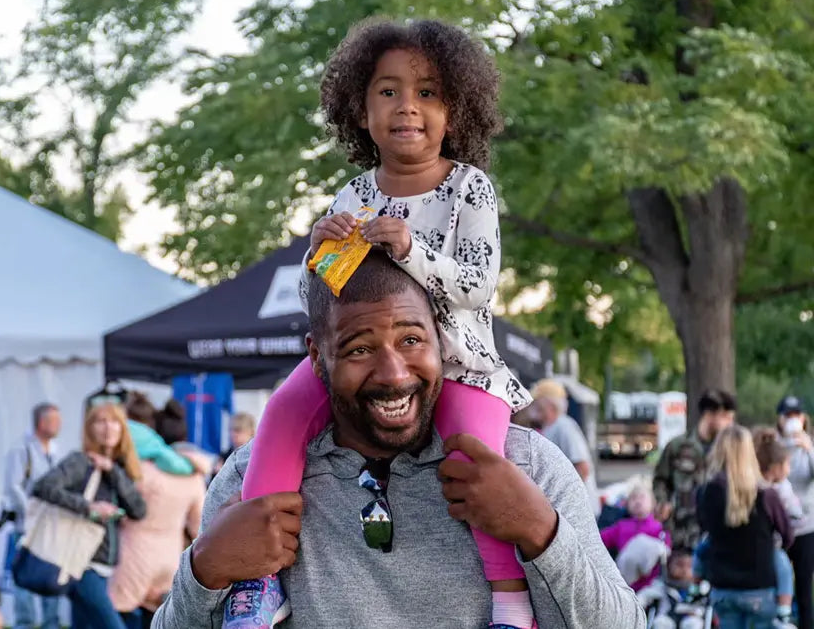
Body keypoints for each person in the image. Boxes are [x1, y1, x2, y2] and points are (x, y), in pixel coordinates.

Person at [230, 18, 536, 629]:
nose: (407, 107)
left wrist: (411, 249)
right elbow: (322, 299)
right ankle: (258, 581)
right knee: (283, 414)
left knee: (477, 458)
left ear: (456, 110)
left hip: (459, 365)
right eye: (388, 91)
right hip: (365, 362)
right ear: (360, 110)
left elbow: (479, 284)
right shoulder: (353, 195)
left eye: (427, 92)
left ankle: (509, 597)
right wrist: (317, 255)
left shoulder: (469, 190)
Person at [152, 250, 645, 628]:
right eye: (360, 348)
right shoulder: (251, 478)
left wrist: (541, 532)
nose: (393, 373)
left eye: (411, 340)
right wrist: (206, 571)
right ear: (318, 358)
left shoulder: (527, 465)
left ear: (440, 339)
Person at [31, 403, 148, 629]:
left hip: (105, 566)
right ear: (89, 428)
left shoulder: (120, 469)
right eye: (100, 421)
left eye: (114, 422)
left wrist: (112, 471)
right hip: (82, 563)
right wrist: (88, 507)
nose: (108, 428)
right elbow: (43, 486)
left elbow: (139, 510)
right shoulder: (80, 462)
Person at [697, 425, 793, 629]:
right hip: (759, 585)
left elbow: (704, 528)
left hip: (723, 586)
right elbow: (788, 535)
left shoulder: (706, 492)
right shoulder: (767, 495)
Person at [109, 441, 208, 628]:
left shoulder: (145, 470)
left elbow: (123, 503)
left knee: (122, 609)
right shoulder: (196, 479)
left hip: (134, 550)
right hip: (169, 556)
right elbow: (199, 527)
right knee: (157, 614)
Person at [1, 403, 62, 629]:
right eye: (54, 421)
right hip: (26, 527)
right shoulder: (21, 449)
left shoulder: (56, 450)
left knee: (51, 578)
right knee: (24, 580)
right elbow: (13, 487)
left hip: (52, 527)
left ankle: (51, 623)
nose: (58, 426)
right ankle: (24, 623)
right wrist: (31, 513)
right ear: (41, 422)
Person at [653, 389, 736, 551]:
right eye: (726, 418)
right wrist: (663, 502)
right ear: (709, 415)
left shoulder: (731, 451)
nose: (730, 424)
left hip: (718, 532)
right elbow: (661, 479)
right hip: (682, 533)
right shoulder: (677, 447)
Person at [528, 379, 599, 517]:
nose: (533, 407)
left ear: (550, 405)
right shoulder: (550, 427)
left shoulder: (564, 426)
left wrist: (559, 497)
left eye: (537, 403)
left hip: (579, 512)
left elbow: (583, 468)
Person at [754, 427, 802, 625]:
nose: (789, 469)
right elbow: (793, 518)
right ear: (775, 467)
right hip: (768, 545)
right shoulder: (773, 492)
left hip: (756, 545)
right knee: (783, 564)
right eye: (787, 464)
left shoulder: (755, 485)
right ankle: (784, 609)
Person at [777, 396, 814, 629]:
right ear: (779, 419)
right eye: (787, 416)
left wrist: (808, 448)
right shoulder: (774, 445)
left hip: (807, 527)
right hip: (778, 529)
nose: (792, 421)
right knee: (779, 585)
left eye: (796, 416)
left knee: (804, 586)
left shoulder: (809, 446)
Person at [601, 481, 669, 590]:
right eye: (633, 498)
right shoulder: (621, 526)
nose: (637, 501)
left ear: (652, 503)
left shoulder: (658, 528)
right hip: (624, 584)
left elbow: (665, 551)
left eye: (642, 497)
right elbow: (599, 540)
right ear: (627, 505)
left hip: (651, 586)